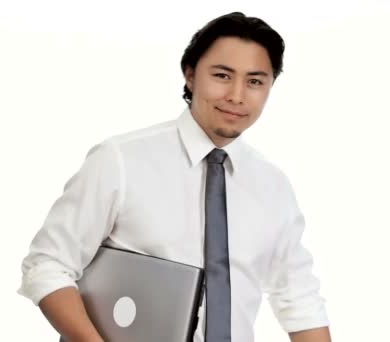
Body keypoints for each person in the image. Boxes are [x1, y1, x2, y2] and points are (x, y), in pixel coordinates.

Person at [19, 11, 331, 342]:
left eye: (255, 81)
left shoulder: (274, 187)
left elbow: (299, 301)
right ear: (191, 75)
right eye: (222, 75)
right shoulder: (121, 160)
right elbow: (47, 265)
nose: (237, 96)